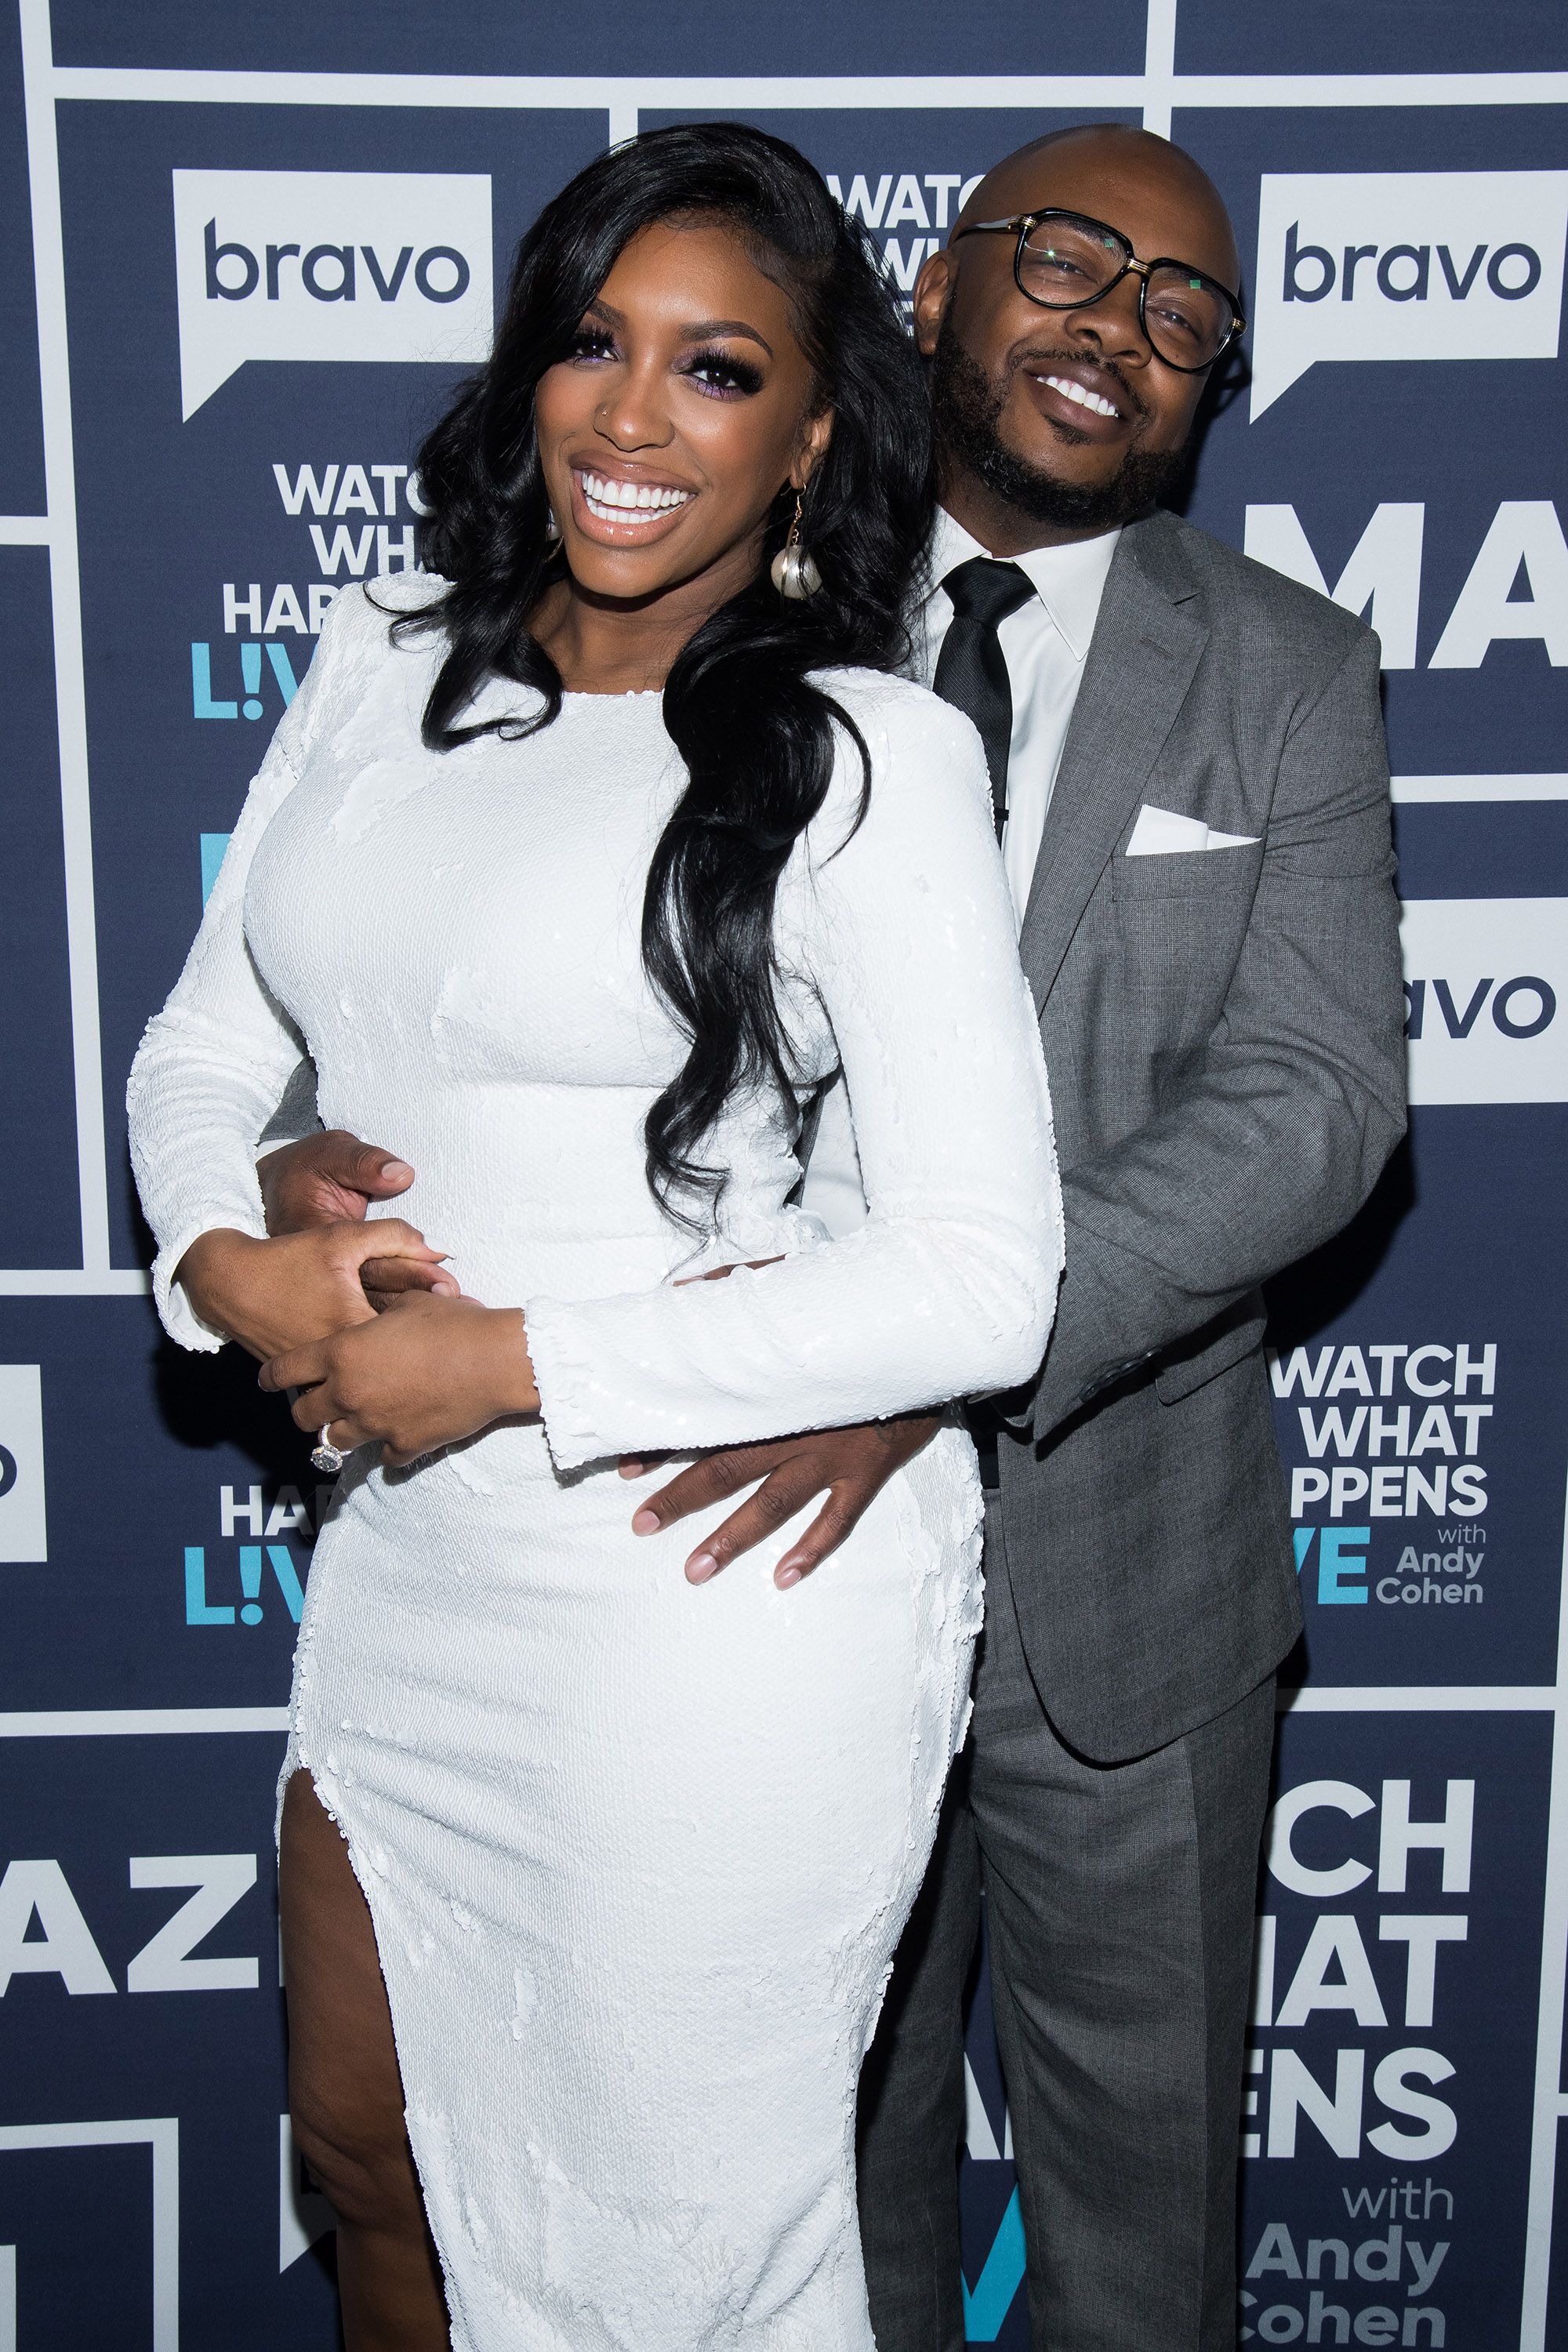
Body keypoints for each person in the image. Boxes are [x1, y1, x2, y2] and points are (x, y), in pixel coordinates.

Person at [267, 122, 1408, 2347]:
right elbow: (442, 957)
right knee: (783, 2186)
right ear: (932, 298)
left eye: (1187, 312)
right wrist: (296, 1165)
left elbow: (1319, 1100)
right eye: (1069, 261)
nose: (1121, 330)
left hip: (1120, 1584)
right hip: (705, 1593)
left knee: (1135, 2211)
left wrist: (898, 1359)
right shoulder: (693, 605)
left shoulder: (1284, 663)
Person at [128, 124, 1065, 2352]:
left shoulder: (864, 753)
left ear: (820, 429)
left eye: (717, 369)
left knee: (665, 2279)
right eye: (591, 342)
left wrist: (519, 1361)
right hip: (411, 1565)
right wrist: (218, 1261)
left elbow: (981, 1274)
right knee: (368, 2160)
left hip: (704, 1601)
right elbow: (198, 1051)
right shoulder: (379, 661)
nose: (630, 417)